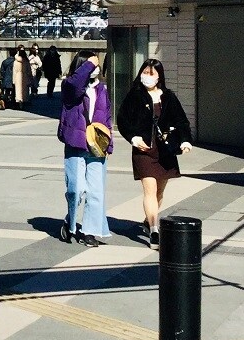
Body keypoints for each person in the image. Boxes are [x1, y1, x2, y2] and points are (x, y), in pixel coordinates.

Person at [116, 58, 193, 249]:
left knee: (159, 192)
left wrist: (185, 140)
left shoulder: (169, 97)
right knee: (149, 190)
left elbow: (182, 121)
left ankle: (147, 220)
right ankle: (154, 230)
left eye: (151, 73)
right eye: (144, 72)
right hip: (144, 149)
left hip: (165, 150)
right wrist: (133, 137)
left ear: (159, 76)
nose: (147, 76)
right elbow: (122, 119)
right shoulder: (134, 95)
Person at [56, 52, 112, 247]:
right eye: (91, 64)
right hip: (76, 143)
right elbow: (75, 86)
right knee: (76, 190)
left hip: (96, 147)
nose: (95, 67)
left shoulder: (102, 89)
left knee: (96, 191)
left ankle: (90, 231)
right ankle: (69, 221)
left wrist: (108, 143)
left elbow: (106, 118)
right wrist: (88, 65)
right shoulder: (70, 87)